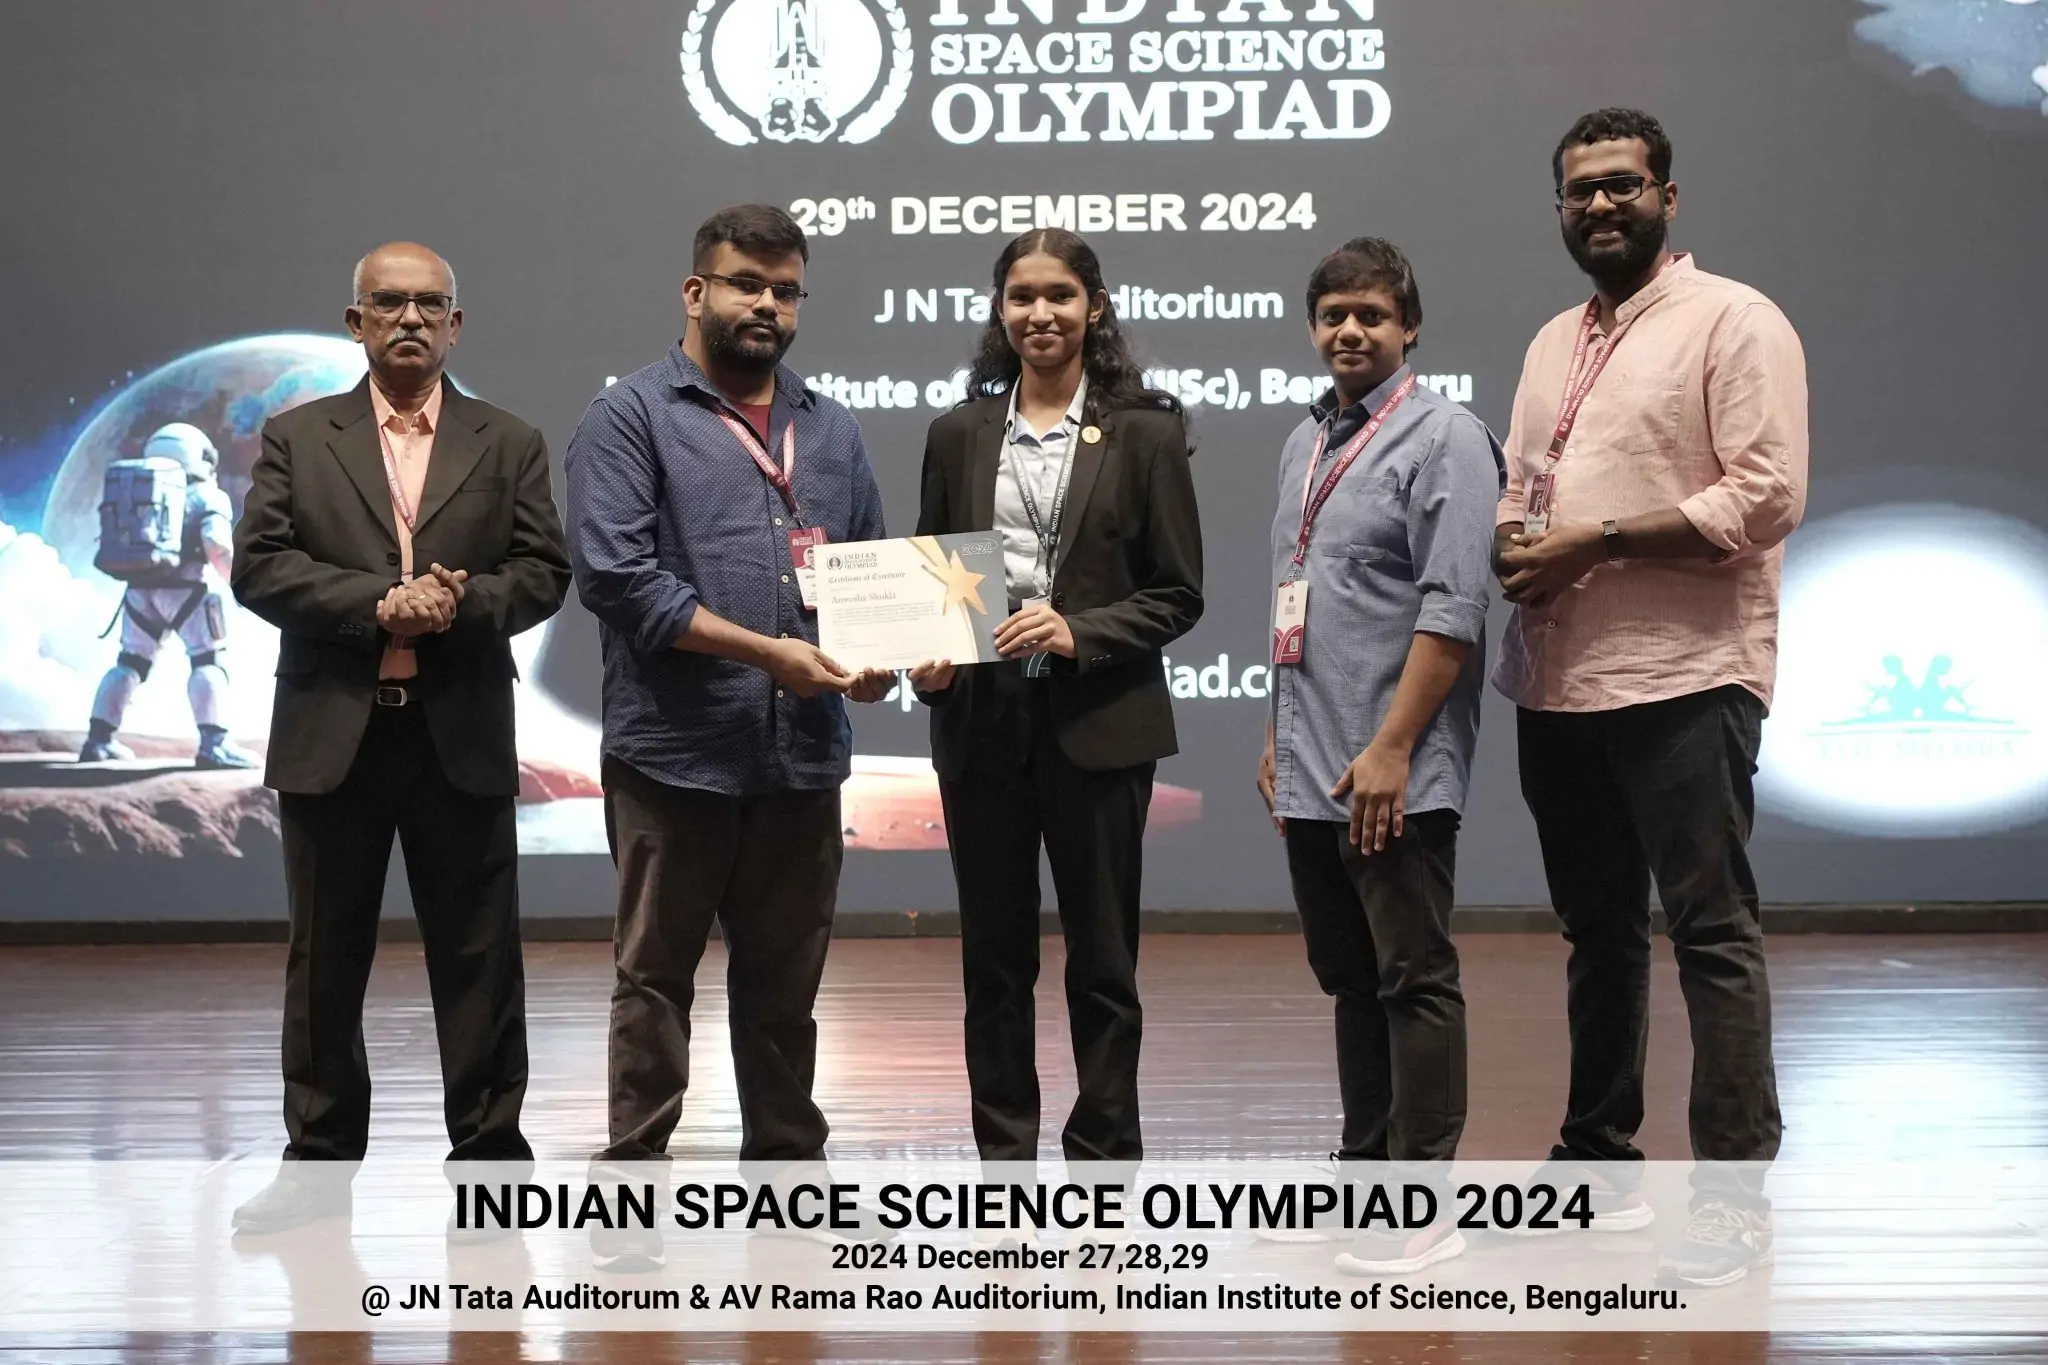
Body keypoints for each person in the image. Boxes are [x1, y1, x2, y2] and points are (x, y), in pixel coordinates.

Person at [1494, 108, 1807, 1287]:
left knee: (1710, 935)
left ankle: (1728, 1200)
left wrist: (1597, 541)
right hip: (1558, 681)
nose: (1599, 206)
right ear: (1558, 209)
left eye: (1621, 186)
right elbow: (1524, 489)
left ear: (1666, 199)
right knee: (1597, 936)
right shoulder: (1547, 342)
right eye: (1579, 191)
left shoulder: (1733, 320)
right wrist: (1515, 542)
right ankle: (1595, 1165)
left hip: (1685, 677)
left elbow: (1763, 496)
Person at [564, 205, 891, 1266]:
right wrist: (768, 654)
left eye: (785, 290)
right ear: (695, 291)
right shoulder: (628, 417)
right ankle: (631, 1189)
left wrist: (882, 657)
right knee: (653, 981)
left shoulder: (830, 428)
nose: (767, 305)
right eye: (747, 283)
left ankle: (789, 1177)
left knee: (784, 986)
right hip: (674, 755)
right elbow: (617, 579)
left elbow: (865, 571)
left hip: (802, 756)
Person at [228, 242, 571, 1232]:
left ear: (455, 325)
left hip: (458, 730)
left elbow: (543, 572)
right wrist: (381, 602)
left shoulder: (508, 440)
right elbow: (260, 568)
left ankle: (492, 1166)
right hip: (333, 732)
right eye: (388, 303)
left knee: (480, 958)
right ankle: (316, 1169)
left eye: (429, 305)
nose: (410, 319)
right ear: (357, 323)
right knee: (324, 963)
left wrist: (454, 607)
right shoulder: (298, 436)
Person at [911, 228, 1203, 1173]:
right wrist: (927, 658)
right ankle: (1004, 1161)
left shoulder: (1147, 431)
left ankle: (1104, 1157)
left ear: (1094, 308)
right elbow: (933, 580)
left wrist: (1081, 631)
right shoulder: (957, 432)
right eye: (1022, 296)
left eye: (1061, 296)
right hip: (982, 727)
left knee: (1104, 962)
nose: (1041, 313)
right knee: (994, 961)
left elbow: (1178, 592)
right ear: (1001, 311)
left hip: (1101, 724)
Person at [1254, 238, 1503, 1275]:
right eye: (1332, 316)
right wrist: (1275, 734)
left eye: (1370, 315)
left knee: (1412, 978)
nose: (1349, 332)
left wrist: (1394, 746)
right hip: (1312, 764)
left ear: (1409, 326)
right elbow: (1299, 601)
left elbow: (1454, 607)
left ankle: (1423, 1204)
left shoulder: (1446, 437)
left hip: (1393, 768)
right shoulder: (1304, 441)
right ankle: (1364, 1173)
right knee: (1350, 980)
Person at [80, 422, 257, 769]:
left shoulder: (140, 490)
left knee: (130, 663)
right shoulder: (208, 497)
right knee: (207, 661)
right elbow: (218, 546)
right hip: (188, 591)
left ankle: (98, 741)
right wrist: (242, 583)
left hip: (138, 591)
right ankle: (214, 745)